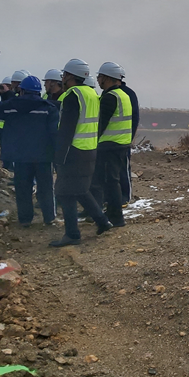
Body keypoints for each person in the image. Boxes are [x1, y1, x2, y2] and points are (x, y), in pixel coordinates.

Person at [0, 76, 59, 226]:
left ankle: (25, 220)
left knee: (23, 188)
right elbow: (54, 133)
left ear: (22, 91)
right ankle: (49, 218)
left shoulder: (12, 106)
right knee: (46, 188)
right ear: (38, 91)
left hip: (21, 156)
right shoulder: (48, 108)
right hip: (43, 156)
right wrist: (57, 154)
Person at [50, 59, 112, 247]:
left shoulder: (72, 96)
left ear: (70, 76)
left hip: (73, 152)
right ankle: (103, 222)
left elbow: (66, 129)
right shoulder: (92, 94)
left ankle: (72, 234)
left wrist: (59, 157)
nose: (62, 78)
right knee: (81, 190)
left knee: (64, 193)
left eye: (64, 75)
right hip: (89, 150)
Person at [90, 61, 134, 227]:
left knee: (110, 182)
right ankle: (113, 214)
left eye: (100, 76)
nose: (98, 80)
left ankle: (115, 217)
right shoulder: (124, 95)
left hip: (109, 145)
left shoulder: (110, 97)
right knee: (113, 180)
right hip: (121, 144)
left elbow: (100, 124)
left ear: (107, 78)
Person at [118, 67, 140, 207]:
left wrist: (129, 137)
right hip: (110, 140)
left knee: (123, 169)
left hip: (123, 140)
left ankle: (125, 197)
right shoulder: (109, 93)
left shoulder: (128, 94)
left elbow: (134, 117)